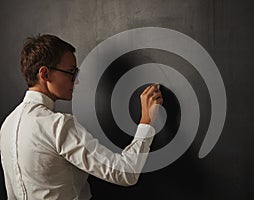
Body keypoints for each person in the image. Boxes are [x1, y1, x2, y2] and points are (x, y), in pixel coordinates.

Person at [0, 34, 163, 199]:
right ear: (45, 74)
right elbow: (126, 173)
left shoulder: (7, 125)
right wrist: (146, 122)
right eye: (71, 72)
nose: (75, 81)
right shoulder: (58, 126)